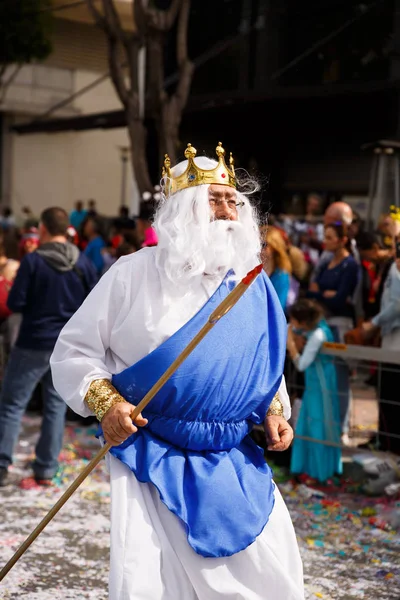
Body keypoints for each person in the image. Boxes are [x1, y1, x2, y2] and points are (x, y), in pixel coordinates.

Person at [51, 142, 304, 599]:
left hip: (233, 455)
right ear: (183, 211)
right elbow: (74, 352)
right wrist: (106, 403)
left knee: (272, 580)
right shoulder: (131, 274)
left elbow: (263, 364)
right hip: (150, 450)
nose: (228, 211)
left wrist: (274, 409)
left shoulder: (254, 283)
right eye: (214, 200)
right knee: (153, 582)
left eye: (233, 201)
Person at [0, 207, 98, 487]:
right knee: (55, 405)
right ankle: (45, 467)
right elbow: (92, 303)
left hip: (33, 341)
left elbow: (15, 302)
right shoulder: (83, 263)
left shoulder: (33, 262)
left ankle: (1, 464)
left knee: (12, 404)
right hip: (65, 344)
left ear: (43, 229)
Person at [286, 299, 342, 482]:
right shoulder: (316, 328)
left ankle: (319, 471)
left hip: (321, 387)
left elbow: (302, 364)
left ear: (303, 320)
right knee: (311, 424)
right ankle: (309, 468)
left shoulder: (318, 335)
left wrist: (292, 347)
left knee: (318, 425)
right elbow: (293, 329)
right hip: (316, 385)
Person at [261, 226, 292, 310]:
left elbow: (278, 308)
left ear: (274, 247)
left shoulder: (281, 275)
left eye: (263, 244)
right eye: (257, 244)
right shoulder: (252, 269)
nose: (259, 249)